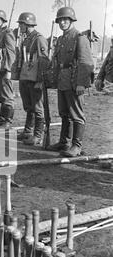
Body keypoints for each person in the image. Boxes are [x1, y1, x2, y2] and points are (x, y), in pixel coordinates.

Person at [47, 7, 94, 157]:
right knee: (64, 113)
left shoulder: (79, 37)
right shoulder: (61, 39)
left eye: (65, 20)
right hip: (62, 79)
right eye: (60, 20)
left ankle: (76, 146)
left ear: (71, 20)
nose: (62, 23)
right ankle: (64, 142)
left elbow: (86, 62)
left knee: (77, 114)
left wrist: (81, 83)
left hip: (74, 80)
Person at [17, 12, 49, 145]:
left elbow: (44, 61)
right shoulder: (26, 38)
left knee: (37, 107)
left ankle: (38, 135)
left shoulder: (38, 38)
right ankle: (28, 131)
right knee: (28, 105)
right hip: (26, 77)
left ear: (27, 24)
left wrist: (41, 80)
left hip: (35, 78)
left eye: (21, 24)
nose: (20, 26)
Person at [0, 10, 16, 129]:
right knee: (1, 95)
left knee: (7, 95)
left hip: (5, 68)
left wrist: (9, 70)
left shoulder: (7, 32)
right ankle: (2, 119)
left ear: (3, 20)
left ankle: (8, 121)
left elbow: (11, 52)